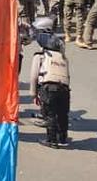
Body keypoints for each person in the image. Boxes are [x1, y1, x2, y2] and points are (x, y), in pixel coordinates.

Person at [29, 17, 70, 148]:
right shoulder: (63, 57)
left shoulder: (40, 56)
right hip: (65, 89)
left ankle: (51, 140)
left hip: (49, 88)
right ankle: (63, 138)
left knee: (50, 114)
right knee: (63, 115)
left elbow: (34, 77)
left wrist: (34, 94)